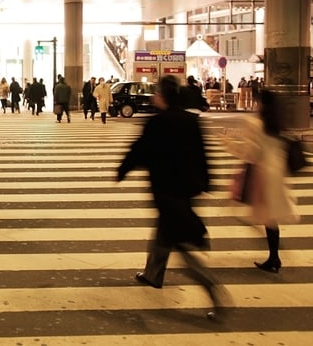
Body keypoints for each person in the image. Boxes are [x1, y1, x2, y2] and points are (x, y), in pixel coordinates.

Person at [117, 75, 228, 319]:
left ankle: (212, 288)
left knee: (181, 245)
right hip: (186, 189)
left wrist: (122, 170)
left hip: (167, 191)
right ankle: (152, 275)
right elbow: (202, 154)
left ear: (162, 96)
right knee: (163, 233)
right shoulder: (190, 120)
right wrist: (206, 182)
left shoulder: (157, 122)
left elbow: (140, 150)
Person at [224, 90, 299, 273]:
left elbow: (250, 152)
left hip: (262, 174)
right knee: (270, 217)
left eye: (258, 102)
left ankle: (274, 257)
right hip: (277, 171)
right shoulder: (278, 124)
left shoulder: (256, 124)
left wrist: (227, 141)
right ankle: (274, 257)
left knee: (267, 216)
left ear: (262, 104)